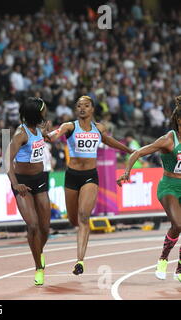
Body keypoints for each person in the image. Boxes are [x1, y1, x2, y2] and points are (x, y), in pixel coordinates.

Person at [46, 96, 133, 275]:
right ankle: (79, 236)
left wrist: (129, 150)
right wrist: (49, 135)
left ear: (92, 109)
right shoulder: (70, 126)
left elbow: (108, 141)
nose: (82, 108)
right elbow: (56, 134)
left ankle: (80, 261)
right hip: (72, 176)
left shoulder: (99, 128)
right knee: (73, 219)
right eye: (79, 106)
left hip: (90, 177)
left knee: (84, 216)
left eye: (86, 105)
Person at [117, 96, 181, 283]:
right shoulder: (169, 139)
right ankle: (163, 259)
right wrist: (127, 172)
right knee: (178, 225)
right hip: (169, 186)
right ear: (178, 120)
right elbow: (138, 152)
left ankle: (179, 268)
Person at [6, 97, 51, 286]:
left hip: (40, 179)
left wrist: (46, 134)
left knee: (45, 228)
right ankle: (38, 267)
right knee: (32, 225)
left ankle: (38, 252)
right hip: (23, 183)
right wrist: (15, 184)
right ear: (37, 113)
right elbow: (6, 159)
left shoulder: (38, 130)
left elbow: (42, 141)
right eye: (44, 110)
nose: (46, 112)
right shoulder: (20, 134)